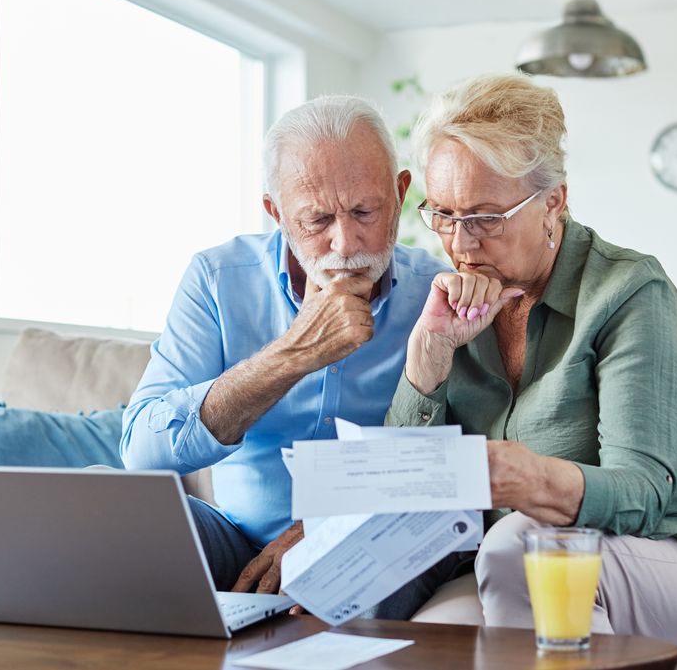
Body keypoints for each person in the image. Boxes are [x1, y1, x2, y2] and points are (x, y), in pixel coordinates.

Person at [385, 73, 677, 656]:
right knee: (416, 644)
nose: (461, 244)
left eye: (484, 218)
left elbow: (641, 494)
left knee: (520, 552)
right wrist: (427, 357)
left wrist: (528, 478)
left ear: (553, 200)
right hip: (526, 564)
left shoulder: (629, 292)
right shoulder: (457, 307)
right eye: (445, 215)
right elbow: (396, 494)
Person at [121, 95, 457, 619]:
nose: (346, 243)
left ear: (400, 194)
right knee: (112, 517)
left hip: (369, 537)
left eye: (365, 211)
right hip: (237, 537)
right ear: (276, 213)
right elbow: (142, 451)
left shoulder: (438, 298)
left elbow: (454, 464)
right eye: (317, 219)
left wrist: (326, 529)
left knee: (357, 568)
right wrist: (292, 355)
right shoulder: (216, 279)